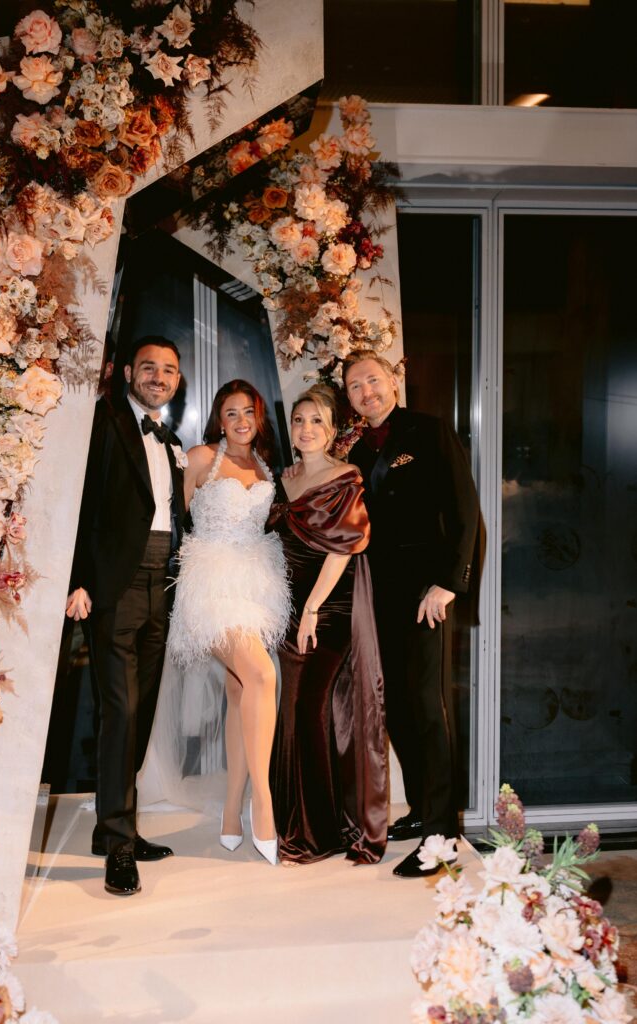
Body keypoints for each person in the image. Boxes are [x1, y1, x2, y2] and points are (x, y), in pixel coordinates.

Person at [343, 349, 479, 878]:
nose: (367, 392)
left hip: (426, 594)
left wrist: (449, 582)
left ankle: (443, 833)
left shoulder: (429, 431)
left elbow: (466, 509)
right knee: (395, 704)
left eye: (373, 381)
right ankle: (423, 807)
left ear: (393, 382)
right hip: (374, 593)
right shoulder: (351, 447)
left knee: (427, 705)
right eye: (355, 386)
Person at [67, 336, 186, 896]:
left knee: (139, 712)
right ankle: (117, 845)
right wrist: (78, 581)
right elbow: (79, 501)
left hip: (163, 581)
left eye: (168, 370)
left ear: (177, 381)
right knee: (119, 709)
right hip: (116, 582)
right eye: (149, 368)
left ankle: (116, 825)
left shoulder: (172, 439)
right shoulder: (104, 421)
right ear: (130, 373)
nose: (158, 377)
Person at [165, 380, 290, 865]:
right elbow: (169, 513)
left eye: (249, 413)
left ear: (259, 419)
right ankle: (264, 800)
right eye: (231, 412)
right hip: (209, 583)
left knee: (241, 691)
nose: (241, 421)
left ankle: (231, 811)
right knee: (261, 673)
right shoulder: (200, 458)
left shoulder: (264, 466)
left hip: (256, 583)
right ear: (219, 418)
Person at [269, 384, 388, 865]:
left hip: (330, 610)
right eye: (299, 420)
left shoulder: (346, 476)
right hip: (288, 608)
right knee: (293, 709)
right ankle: (297, 821)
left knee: (307, 705)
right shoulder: (285, 476)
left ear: (333, 430)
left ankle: (320, 829)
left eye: (316, 420)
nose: (306, 429)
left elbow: (342, 550)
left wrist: (313, 609)